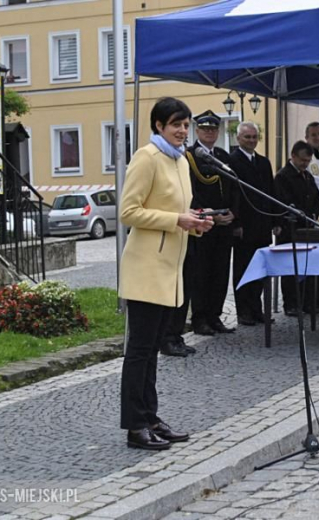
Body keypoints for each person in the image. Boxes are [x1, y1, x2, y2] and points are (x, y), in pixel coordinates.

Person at [119, 97, 214, 449]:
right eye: (176, 124)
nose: (183, 131)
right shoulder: (147, 158)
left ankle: (151, 417)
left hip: (171, 270)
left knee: (153, 351)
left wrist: (195, 223)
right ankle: (134, 426)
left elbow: (178, 210)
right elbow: (129, 211)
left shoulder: (180, 161)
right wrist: (177, 220)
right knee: (139, 351)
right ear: (158, 125)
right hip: (146, 269)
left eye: (186, 125)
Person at [186, 110, 240, 336]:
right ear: (197, 130)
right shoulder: (189, 157)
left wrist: (233, 214)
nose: (210, 132)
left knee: (220, 273)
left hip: (224, 226)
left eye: (213, 129)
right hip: (202, 225)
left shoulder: (223, 156)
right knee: (201, 274)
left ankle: (215, 315)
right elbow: (190, 192)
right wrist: (210, 216)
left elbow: (235, 188)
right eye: (205, 129)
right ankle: (200, 318)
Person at [229, 122, 279, 326]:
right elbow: (233, 195)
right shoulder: (233, 161)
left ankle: (257, 308)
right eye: (247, 137)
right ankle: (244, 311)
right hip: (244, 226)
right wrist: (236, 223)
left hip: (262, 224)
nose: (251, 140)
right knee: (243, 268)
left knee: (261, 270)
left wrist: (275, 220)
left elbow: (271, 193)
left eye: (253, 137)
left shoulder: (264, 162)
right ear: (238, 138)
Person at [274, 141, 319, 316]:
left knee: (307, 267)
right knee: (291, 269)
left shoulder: (307, 176)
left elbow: (316, 197)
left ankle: (308, 302)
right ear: (293, 156)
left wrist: (313, 214)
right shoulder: (283, 176)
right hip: (289, 229)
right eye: (302, 160)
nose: (305, 164)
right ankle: (291, 304)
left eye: (308, 161)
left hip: (306, 229)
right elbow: (282, 201)